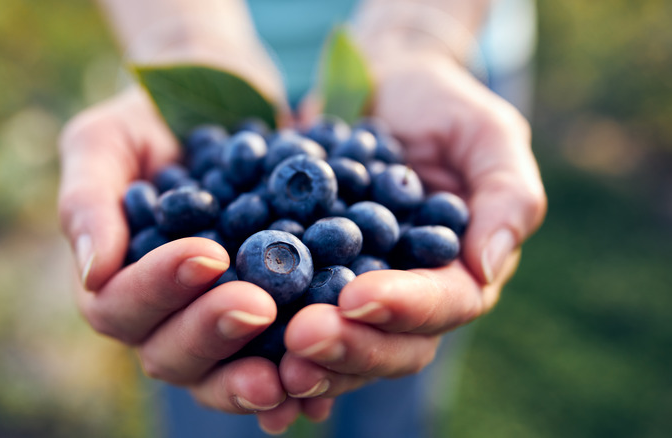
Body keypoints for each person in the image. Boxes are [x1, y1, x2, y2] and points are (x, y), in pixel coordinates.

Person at [56, 0, 547, 436]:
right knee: (219, 361)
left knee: (391, 347)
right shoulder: (236, 198)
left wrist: (418, 33)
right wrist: (182, 39)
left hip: (445, 47)